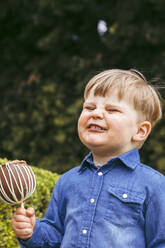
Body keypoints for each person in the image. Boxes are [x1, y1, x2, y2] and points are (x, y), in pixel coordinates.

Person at [12, 69, 165, 248]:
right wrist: (32, 232)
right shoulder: (67, 181)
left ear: (140, 131)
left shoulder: (154, 184)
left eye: (112, 109)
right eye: (89, 107)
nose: (97, 114)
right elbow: (54, 237)